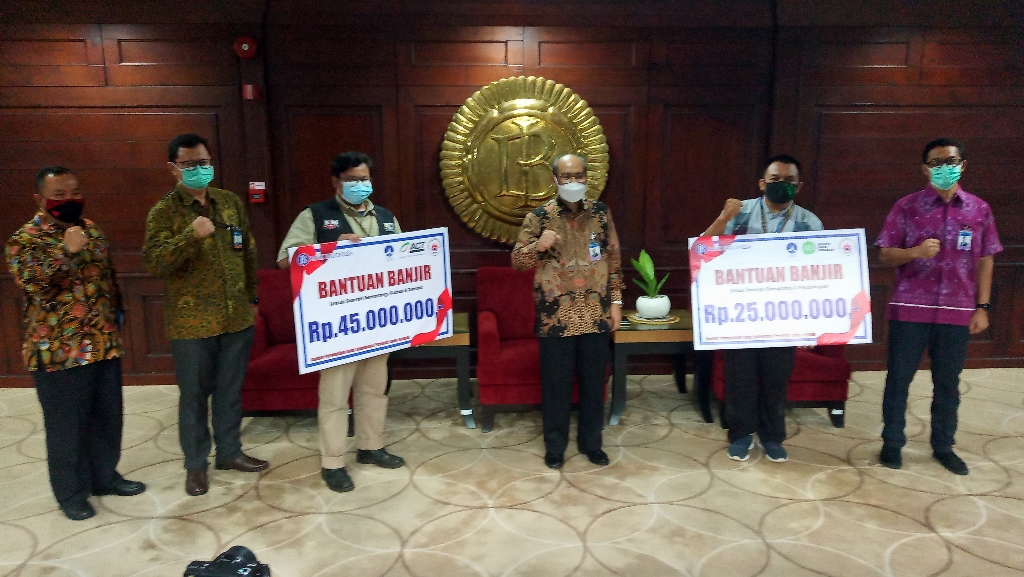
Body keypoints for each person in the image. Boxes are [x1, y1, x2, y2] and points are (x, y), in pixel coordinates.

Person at [6, 166, 146, 520]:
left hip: (102, 342)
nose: (69, 200)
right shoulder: (25, 239)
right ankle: (70, 493)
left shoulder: (92, 229)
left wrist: (118, 315)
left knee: (107, 419)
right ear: (40, 199)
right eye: (59, 195)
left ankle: (104, 477)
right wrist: (65, 253)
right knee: (66, 427)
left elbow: (108, 277)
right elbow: (33, 284)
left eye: (74, 193)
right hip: (57, 352)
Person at [142, 133, 267, 497]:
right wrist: (189, 237)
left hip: (236, 317)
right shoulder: (164, 212)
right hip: (192, 324)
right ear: (173, 169)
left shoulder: (229, 202)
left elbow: (248, 251)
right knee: (194, 397)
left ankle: (229, 453)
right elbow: (154, 262)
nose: (199, 169)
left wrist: (253, 296)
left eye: (204, 162)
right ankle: (196, 466)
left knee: (229, 392)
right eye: (190, 164)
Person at [277, 151, 405, 493]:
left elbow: (405, 259)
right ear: (336, 182)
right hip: (337, 324)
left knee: (374, 389)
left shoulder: (386, 217)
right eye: (352, 180)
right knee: (335, 395)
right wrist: (329, 247)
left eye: (365, 179)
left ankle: (370, 446)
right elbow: (285, 258)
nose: (360, 185)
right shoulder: (315, 215)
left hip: (378, 320)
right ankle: (333, 462)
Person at [875, 138, 1001, 476]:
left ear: (963, 165)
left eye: (951, 161)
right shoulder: (906, 207)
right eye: (936, 162)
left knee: (948, 383)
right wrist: (914, 252)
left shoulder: (979, 209)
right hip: (910, 308)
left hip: (957, 311)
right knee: (898, 379)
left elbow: (986, 259)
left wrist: (982, 306)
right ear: (925, 169)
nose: (944, 167)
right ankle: (892, 442)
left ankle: (943, 446)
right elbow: (885, 253)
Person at [702, 154, 824, 463]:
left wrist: (811, 323)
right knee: (739, 377)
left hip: (785, 316)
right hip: (741, 314)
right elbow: (703, 250)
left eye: (789, 181)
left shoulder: (810, 223)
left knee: (775, 379)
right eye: (774, 179)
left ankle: (772, 436)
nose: (781, 185)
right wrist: (723, 217)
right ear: (762, 183)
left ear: (799, 186)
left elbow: (819, 275)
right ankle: (740, 434)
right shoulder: (739, 212)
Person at [512, 153, 623, 469]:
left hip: (596, 312)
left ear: (586, 177)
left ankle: (592, 444)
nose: (573, 181)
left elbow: (613, 257)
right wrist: (539, 246)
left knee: (594, 385)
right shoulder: (539, 217)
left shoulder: (600, 212)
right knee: (556, 387)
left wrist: (616, 301)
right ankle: (555, 447)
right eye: (566, 176)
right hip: (555, 317)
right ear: (555, 180)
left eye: (578, 175)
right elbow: (518, 262)